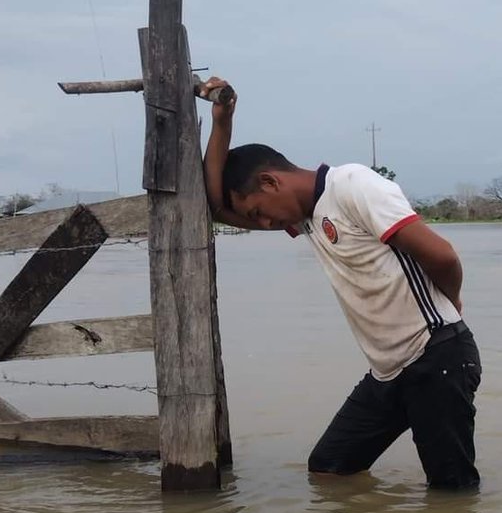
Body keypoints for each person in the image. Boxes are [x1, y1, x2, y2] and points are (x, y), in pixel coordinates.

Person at [200, 77, 482, 490]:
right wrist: (223, 122)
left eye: (260, 212)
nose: (264, 224)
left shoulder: (353, 185)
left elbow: (442, 255)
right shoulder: (306, 218)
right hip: (389, 372)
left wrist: (451, 301)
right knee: (329, 467)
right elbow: (218, 208)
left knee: (452, 494)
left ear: (270, 182)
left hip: (437, 356)